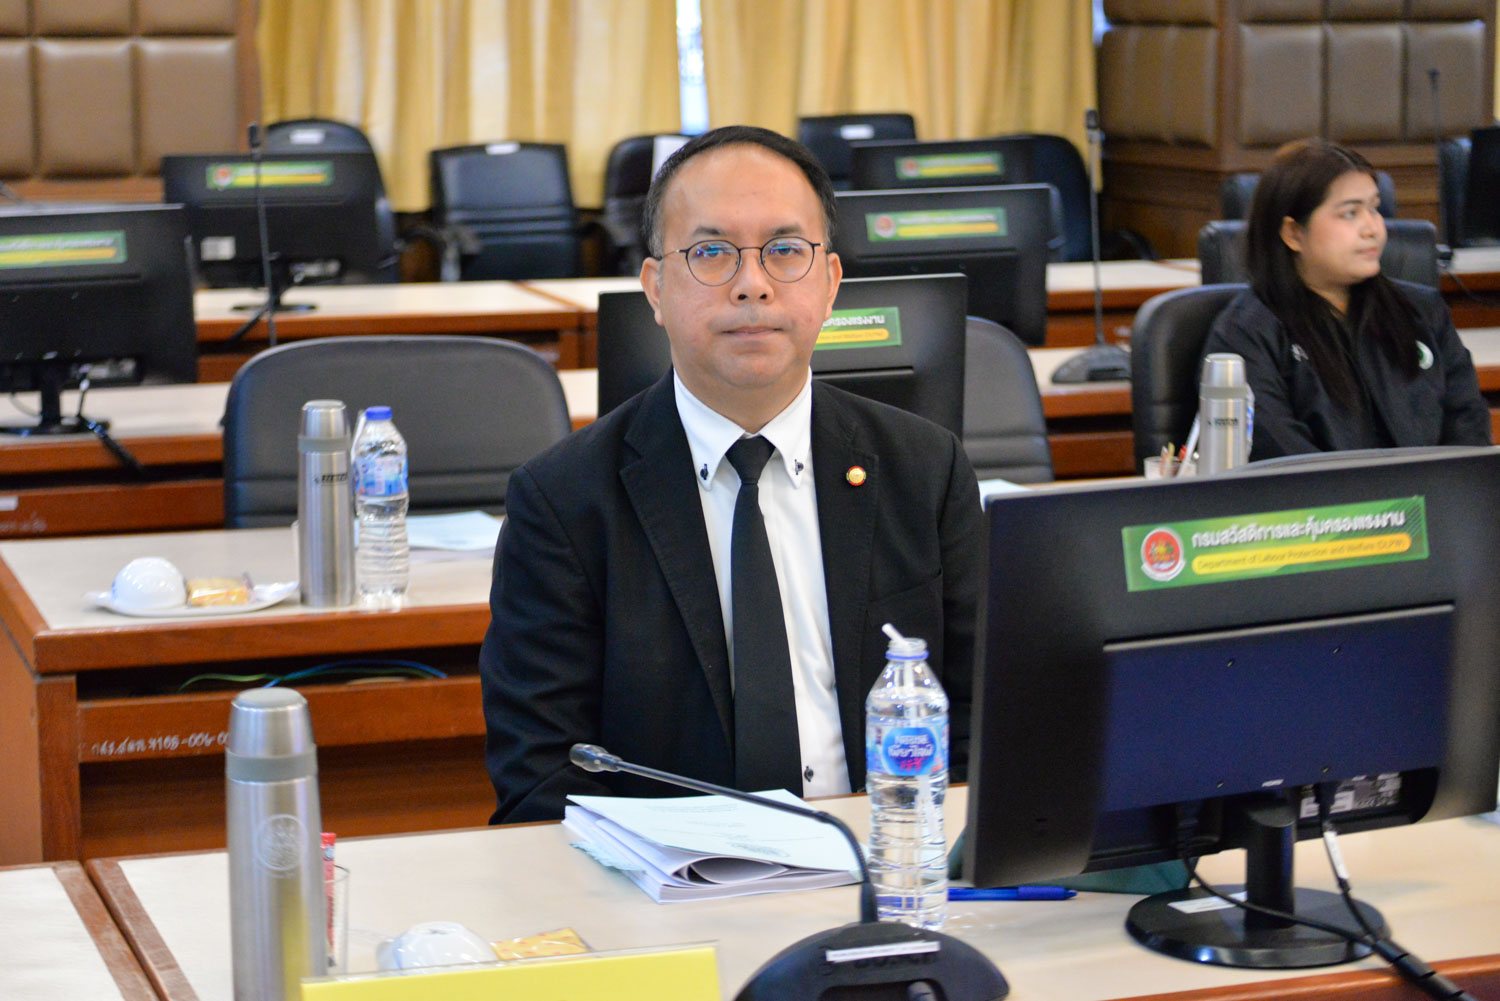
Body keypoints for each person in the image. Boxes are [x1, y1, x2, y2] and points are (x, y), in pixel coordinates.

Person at [480, 125, 984, 823]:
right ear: (656, 288)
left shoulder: (925, 469)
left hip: (888, 851)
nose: (753, 285)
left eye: (785, 251)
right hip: (670, 872)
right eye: (712, 252)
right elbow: (540, 780)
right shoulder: (563, 502)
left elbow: (987, 720)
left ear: (831, 284)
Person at [1202, 139, 1490, 460]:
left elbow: (1469, 433)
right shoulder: (1245, 333)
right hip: (1320, 495)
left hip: (1439, 492)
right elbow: (1284, 462)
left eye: (1375, 208)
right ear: (1293, 233)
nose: (1373, 228)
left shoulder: (1422, 311)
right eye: (1350, 213)